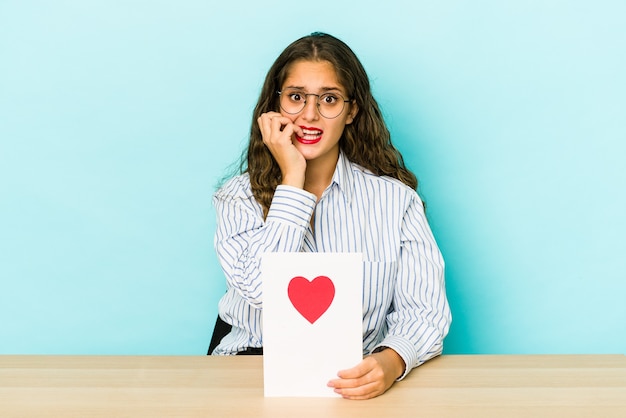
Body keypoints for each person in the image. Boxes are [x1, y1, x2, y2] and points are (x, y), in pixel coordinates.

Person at [211, 32, 451, 400]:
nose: (309, 115)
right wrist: (293, 180)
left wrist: (391, 361)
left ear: (352, 110)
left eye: (328, 99)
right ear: (274, 108)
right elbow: (261, 290)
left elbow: (425, 311)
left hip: (354, 378)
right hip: (249, 374)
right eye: (296, 97)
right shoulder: (237, 198)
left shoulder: (396, 201)